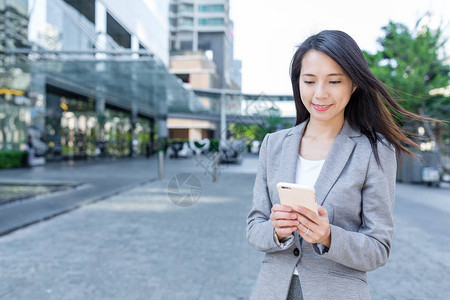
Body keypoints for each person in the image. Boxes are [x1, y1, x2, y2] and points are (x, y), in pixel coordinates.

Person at [246, 30, 430, 300]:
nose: (319, 94)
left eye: (334, 81)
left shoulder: (375, 150)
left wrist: (329, 236)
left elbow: (378, 249)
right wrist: (275, 230)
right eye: (309, 81)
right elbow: (253, 228)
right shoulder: (273, 145)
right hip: (272, 291)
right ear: (298, 82)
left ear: (354, 84)